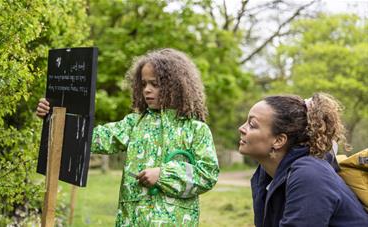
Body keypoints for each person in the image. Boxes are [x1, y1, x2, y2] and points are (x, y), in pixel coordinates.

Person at [36, 48, 219, 226]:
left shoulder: (196, 130)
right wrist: (53, 116)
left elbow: (207, 174)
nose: (147, 90)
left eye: (155, 84)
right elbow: (92, 138)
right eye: (144, 84)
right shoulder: (134, 123)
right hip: (131, 220)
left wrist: (163, 175)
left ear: (177, 86)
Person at [238, 93, 368, 227]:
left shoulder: (310, 175)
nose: (241, 128)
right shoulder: (266, 174)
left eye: (252, 125)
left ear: (278, 141)